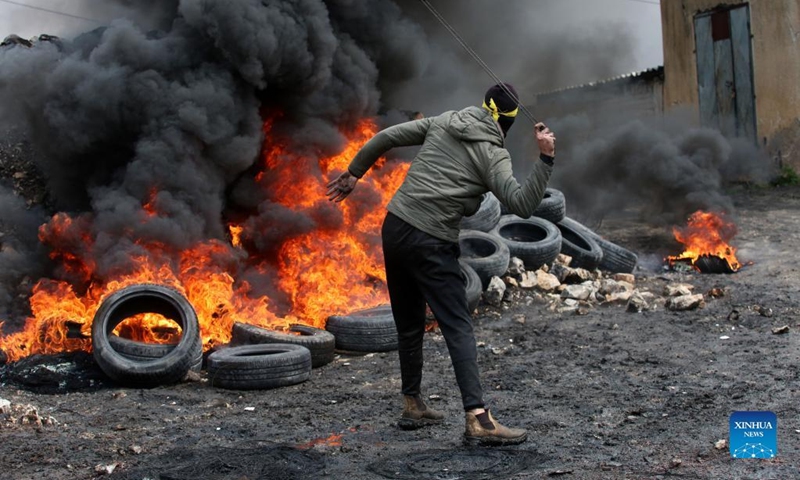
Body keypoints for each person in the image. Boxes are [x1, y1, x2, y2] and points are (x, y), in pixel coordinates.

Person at [326, 83, 556, 446]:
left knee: (408, 320)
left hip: (396, 227)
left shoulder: (447, 120)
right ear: (509, 120)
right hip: (430, 239)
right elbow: (523, 205)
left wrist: (354, 173)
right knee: (458, 325)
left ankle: (412, 403)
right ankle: (479, 418)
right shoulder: (494, 155)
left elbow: (386, 136)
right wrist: (545, 159)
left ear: (484, 106)